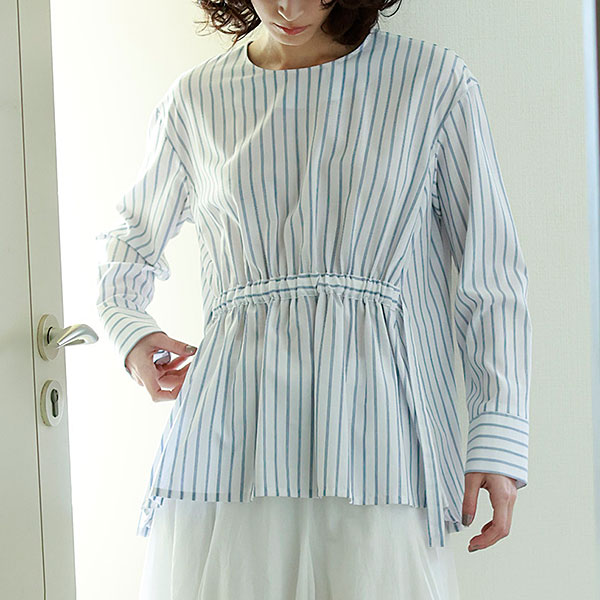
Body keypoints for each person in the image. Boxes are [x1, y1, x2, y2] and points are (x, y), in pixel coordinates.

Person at [95, 0, 532, 597]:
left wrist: (498, 433)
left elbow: (492, 274)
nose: (288, 7)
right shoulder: (195, 100)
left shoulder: (430, 83)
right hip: (232, 444)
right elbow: (127, 244)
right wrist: (133, 333)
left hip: (378, 442)